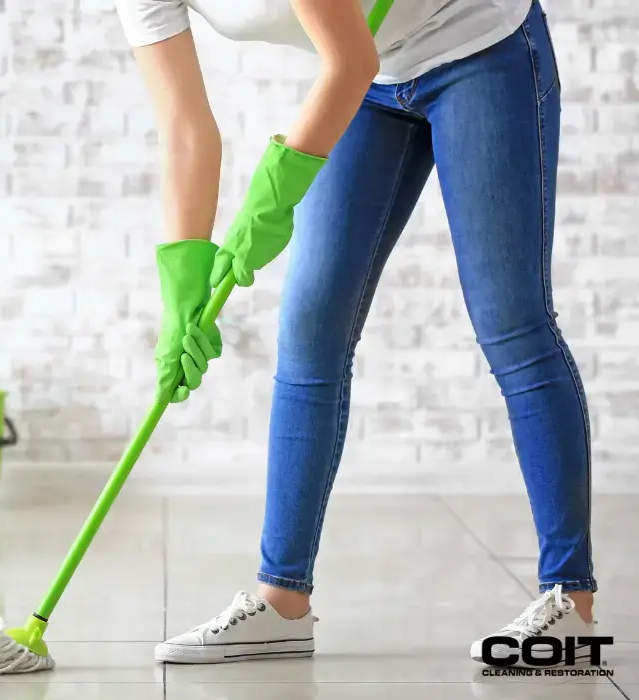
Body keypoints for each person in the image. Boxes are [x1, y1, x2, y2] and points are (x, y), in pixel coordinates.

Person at [117, 0, 597, 666]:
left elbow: (347, 58)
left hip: (480, 44)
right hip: (370, 84)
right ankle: (282, 599)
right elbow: (184, 126)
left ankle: (571, 601)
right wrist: (181, 284)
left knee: (511, 321)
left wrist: (274, 194)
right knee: (312, 325)